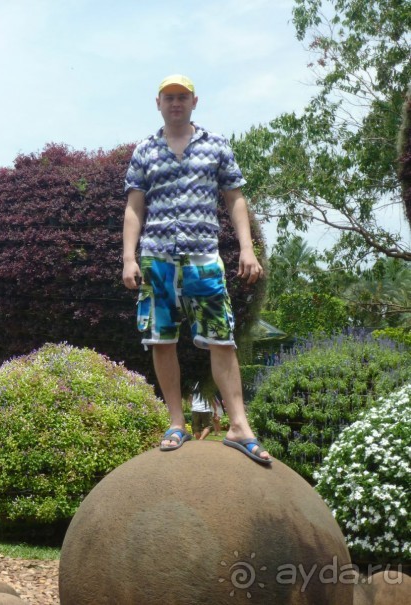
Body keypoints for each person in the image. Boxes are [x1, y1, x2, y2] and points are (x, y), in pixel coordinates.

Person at [121, 75, 271, 465]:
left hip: (203, 257)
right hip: (157, 258)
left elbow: (235, 198)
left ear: (194, 102)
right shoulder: (145, 150)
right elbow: (134, 207)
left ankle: (239, 425)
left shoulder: (216, 144)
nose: (176, 103)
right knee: (160, 339)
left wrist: (247, 248)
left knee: (222, 338)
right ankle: (176, 422)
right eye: (169, 97)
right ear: (158, 103)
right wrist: (128, 257)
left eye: (182, 97)